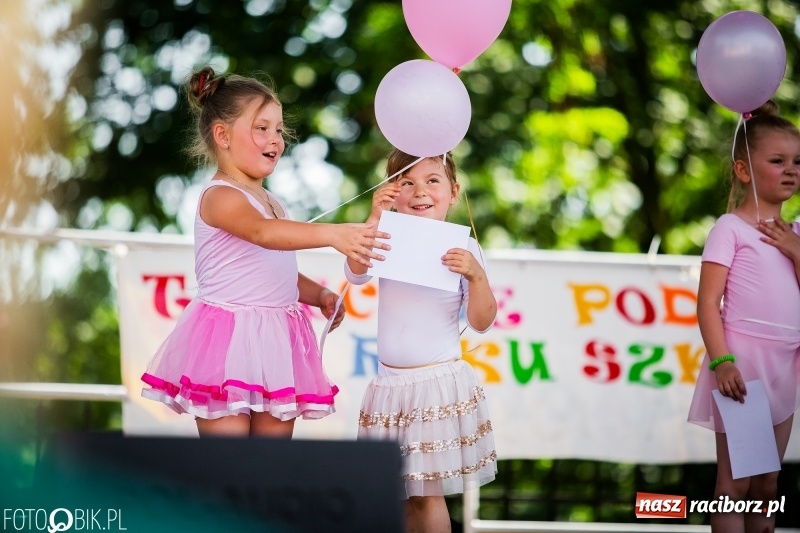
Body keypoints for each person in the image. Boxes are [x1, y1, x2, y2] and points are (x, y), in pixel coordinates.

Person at [141, 66, 390, 439]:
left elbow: (273, 268)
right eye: (262, 127)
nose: (276, 138)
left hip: (274, 339)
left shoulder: (272, 200)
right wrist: (333, 234)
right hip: (228, 341)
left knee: (270, 465)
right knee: (232, 466)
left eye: (278, 129)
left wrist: (318, 294)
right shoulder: (220, 196)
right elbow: (262, 233)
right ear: (222, 135)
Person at [345, 149, 498, 533]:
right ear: (391, 192)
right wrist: (374, 219)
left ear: (454, 191)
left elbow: (482, 322)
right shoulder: (385, 237)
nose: (420, 191)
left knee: (427, 492)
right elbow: (355, 272)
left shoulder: (465, 250)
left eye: (432, 181)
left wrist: (477, 277)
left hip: (433, 388)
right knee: (399, 494)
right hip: (389, 386)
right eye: (406, 183)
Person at [688, 100, 800, 533]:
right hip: (745, 367)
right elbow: (707, 303)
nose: (791, 169)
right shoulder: (730, 229)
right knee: (736, 480)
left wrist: (793, 250)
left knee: (769, 481)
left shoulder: (796, 234)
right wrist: (723, 361)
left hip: (785, 367)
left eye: (797, 161)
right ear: (744, 170)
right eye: (777, 161)